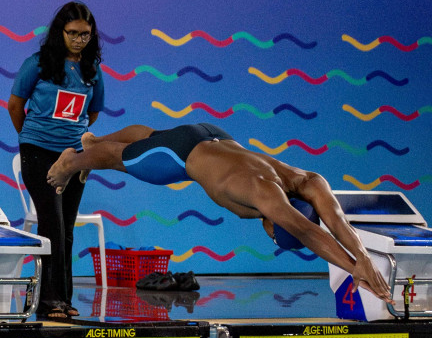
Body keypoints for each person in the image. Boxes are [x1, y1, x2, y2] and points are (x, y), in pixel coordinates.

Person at [45, 123, 392, 302]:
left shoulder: (305, 181)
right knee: (128, 160)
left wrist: (361, 257)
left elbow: (337, 221)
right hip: (183, 156)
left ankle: (95, 141)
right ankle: (74, 159)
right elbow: (306, 230)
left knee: (149, 138)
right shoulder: (266, 195)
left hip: (213, 135)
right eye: (272, 233)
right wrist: (353, 269)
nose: (268, 232)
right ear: (275, 226)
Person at [8, 1, 105, 323]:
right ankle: (48, 301)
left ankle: (63, 298)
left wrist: (73, 141)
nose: (80, 40)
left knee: (67, 228)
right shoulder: (37, 64)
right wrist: (33, 139)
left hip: (74, 157)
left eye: (86, 34)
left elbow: (92, 113)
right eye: (73, 33)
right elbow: (15, 105)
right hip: (38, 153)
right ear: (59, 32)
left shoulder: (92, 70)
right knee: (52, 224)